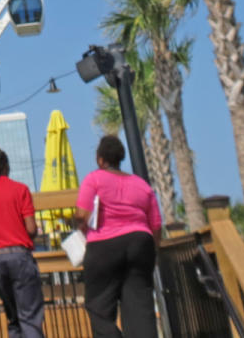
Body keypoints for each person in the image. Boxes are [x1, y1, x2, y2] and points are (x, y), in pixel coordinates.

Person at [75, 135, 162, 338]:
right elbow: (156, 225)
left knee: (99, 307)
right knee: (140, 307)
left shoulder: (94, 179)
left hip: (104, 246)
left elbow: (82, 214)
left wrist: (81, 229)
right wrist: (154, 251)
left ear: (100, 159)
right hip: (141, 243)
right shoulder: (142, 186)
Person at [0, 147, 46, 338]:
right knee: (29, 318)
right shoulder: (20, 190)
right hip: (19, 257)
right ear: (5, 166)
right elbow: (31, 229)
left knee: (13, 320)